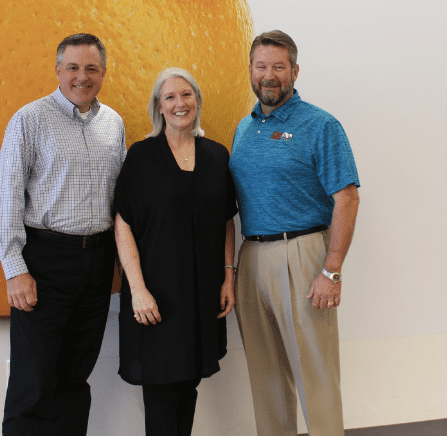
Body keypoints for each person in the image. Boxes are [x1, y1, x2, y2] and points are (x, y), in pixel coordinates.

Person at [0, 33, 126, 435]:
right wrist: (15, 268)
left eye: (91, 68)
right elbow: (7, 195)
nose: (81, 77)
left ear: (102, 73)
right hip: (45, 262)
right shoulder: (30, 119)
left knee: (74, 377)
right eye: (72, 67)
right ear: (57, 70)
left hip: (98, 263)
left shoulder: (113, 124)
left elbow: (123, 197)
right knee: (32, 382)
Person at [229, 30, 361, 436]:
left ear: (295, 71)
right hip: (251, 258)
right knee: (265, 377)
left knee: (315, 374)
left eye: (279, 68)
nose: (270, 76)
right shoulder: (243, 128)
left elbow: (348, 199)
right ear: (251, 70)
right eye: (262, 67)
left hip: (303, 256)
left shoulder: (320, 125)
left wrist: (332, 269)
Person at [113, 67, 237, 436]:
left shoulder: (217, 155)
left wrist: (229, 277)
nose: (179, 103)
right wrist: (137, 290)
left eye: (186, 95)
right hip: (155, 297)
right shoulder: (141, 156)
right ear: (159, 107)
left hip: (201, 295)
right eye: (170, 97)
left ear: (197, 101)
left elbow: (226, 221)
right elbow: (123, 225)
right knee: (163, 390)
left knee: (187, 386)